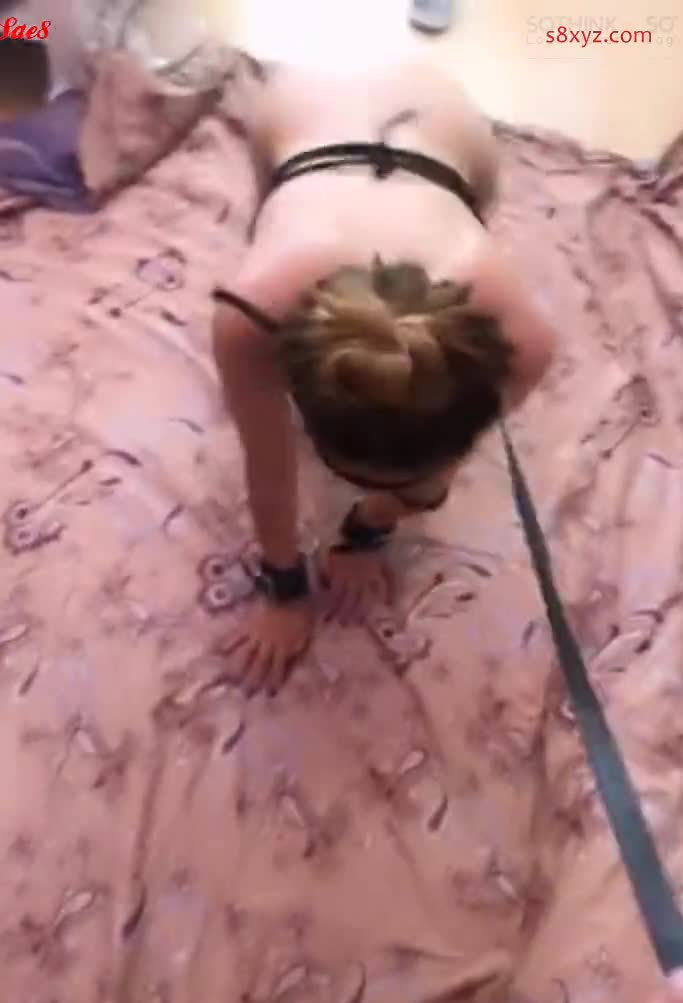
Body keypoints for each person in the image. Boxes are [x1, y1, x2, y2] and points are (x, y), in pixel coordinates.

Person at [212, 57, 556, 694]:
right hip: (305, 97)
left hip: (445, 120)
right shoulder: (251, 314)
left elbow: (441, 470)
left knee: (452, 210)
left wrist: (367, 530)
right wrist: (283, 587)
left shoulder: (526, 342)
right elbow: (267, 459)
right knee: (273, 216)